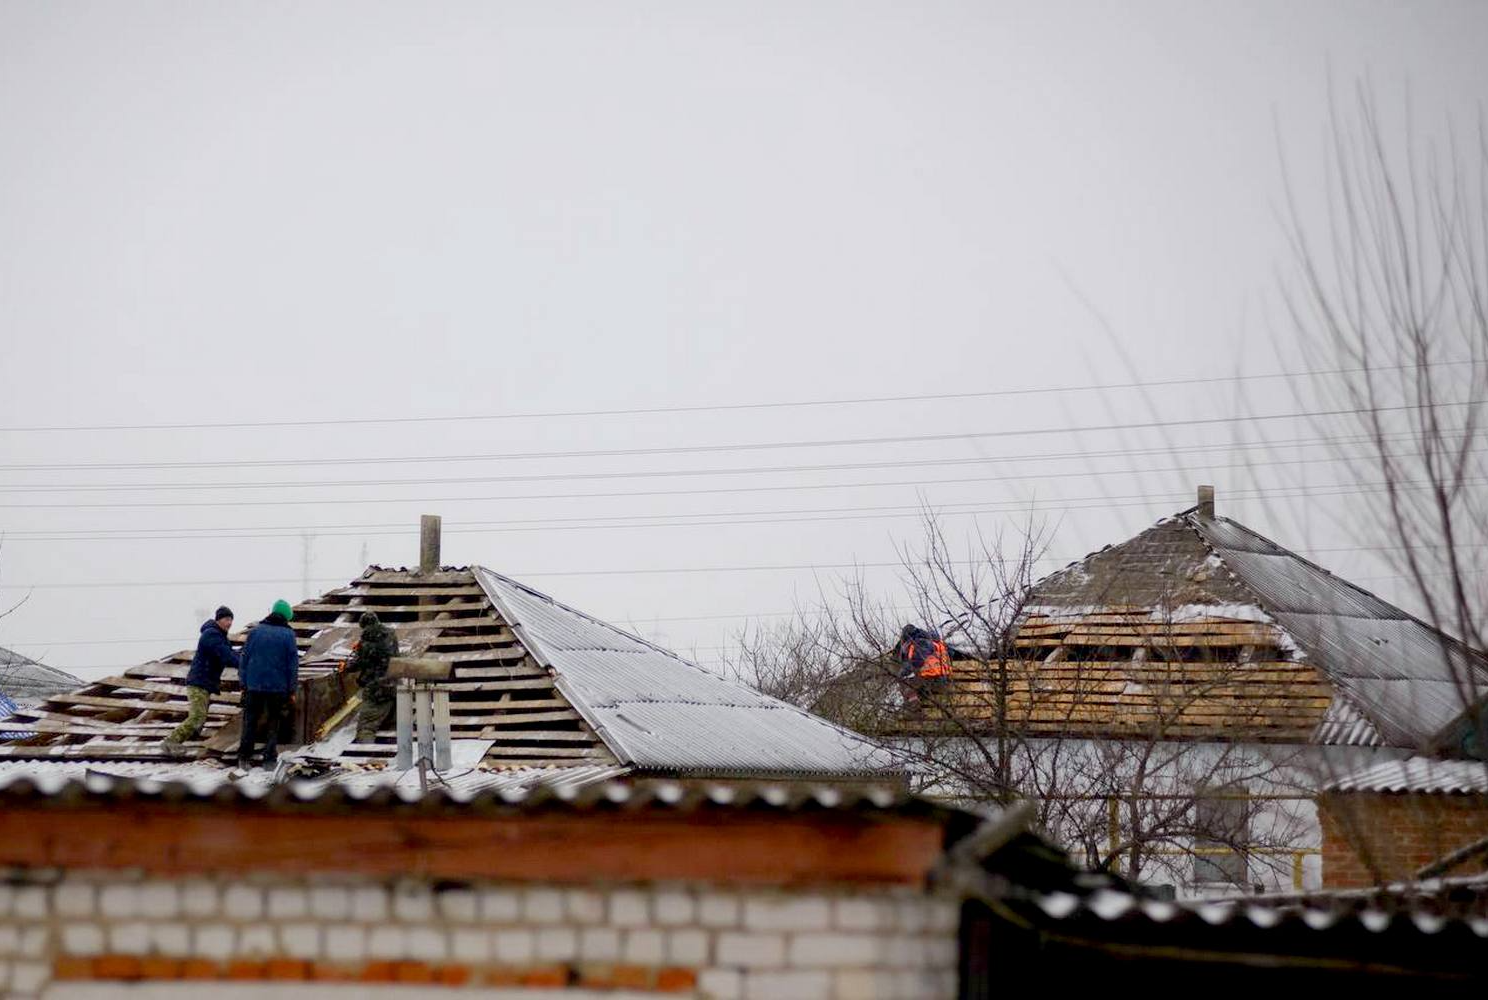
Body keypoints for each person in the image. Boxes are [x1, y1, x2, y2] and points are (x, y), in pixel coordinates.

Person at [163, 605, 238, 757]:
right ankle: (171, 741)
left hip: (203, 683)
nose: (229, 623)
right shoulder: (212, 635)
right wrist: (248, 663)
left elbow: (230, 653)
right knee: (197, 716)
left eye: (231, 619)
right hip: (198, 683)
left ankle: (189, 738)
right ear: (218, 620)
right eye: (226, 619)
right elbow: (227, 656)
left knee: (200, 716)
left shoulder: (219, 636)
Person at [236, 599, 299, 770]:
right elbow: (292, 665)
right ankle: (269, 759)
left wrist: (243, 682)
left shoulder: (255, 632)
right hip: (276, 688)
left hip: (253, 686)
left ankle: (244, 758)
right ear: (286, 617)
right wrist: (292, 689)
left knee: (250, 722)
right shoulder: (288, 635)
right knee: (273, 722)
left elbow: (244, 658)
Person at [352, 611, 401, 743]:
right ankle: (392, 758)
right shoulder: (391, 635)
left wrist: (349, 664)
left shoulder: (366, 640)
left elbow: (359, 664)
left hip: (376, 690)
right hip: (394, 687)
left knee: (366, 727)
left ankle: (364, 758)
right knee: (391, 726)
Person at [896, 623, 951, 708]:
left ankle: (914, 708)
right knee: (914, 682)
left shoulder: (920, 643)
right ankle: (918, 703)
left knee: (905, 681)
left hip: (933, 678)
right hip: (943, 677)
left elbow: (917, 661)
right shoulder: (935, 642)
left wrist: (902, 672)